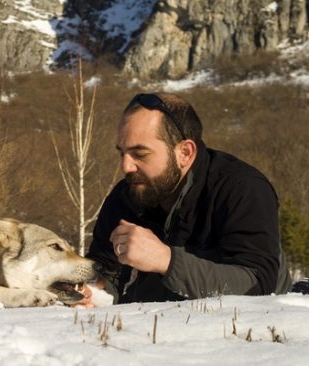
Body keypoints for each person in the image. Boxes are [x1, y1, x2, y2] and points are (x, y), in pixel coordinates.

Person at [85, 92, 293, 304]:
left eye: (140, 154)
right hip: (155, 328)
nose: (126, 167)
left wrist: (165, 260)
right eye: (122, 153)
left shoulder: (242, 189)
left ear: (185, 153)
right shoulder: (127, 195)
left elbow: (257, 284)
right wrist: (93, 293)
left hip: (253, 329)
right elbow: (106, 270)